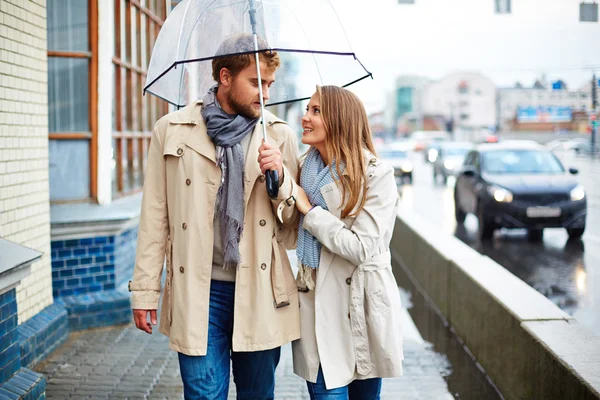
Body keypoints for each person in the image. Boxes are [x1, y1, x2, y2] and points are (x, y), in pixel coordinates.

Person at [129, 34, 301, 399]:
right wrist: (145, 292)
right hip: (198, 289)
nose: (266, 94)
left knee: (257, 394)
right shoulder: (171, 130)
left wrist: (281, 180)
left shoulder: (278, 136)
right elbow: (155, 218)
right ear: (225, 77)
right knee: (204, 394)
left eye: (269, 84)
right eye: (256, 83)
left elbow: (291, 231)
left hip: (259, 290)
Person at [285, 86, 404, 399]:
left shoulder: (376, 176)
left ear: (339, 120)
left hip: (360, 305)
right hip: (317, 307)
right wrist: (277, 178)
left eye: (315, 111)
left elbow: (361, 248)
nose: (305, 117)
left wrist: (309, 210)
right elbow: (284, 228)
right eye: (307, 109)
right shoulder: (301, 168)